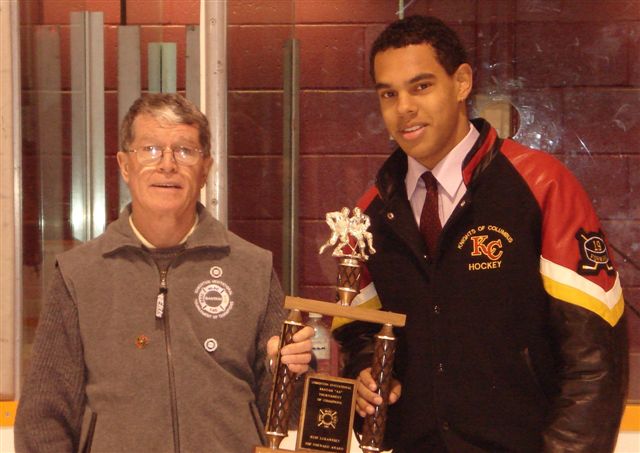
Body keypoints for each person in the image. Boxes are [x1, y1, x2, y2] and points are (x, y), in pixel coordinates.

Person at [333, 15, 628, 453]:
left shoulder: (542, 186)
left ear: (462, 83)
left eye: (421, 86)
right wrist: (366, 375)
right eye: (388, 94)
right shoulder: (367, 214)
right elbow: (359, 335)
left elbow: (595, 360)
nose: (404, 108)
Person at [14, 93, 313, 453]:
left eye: (185, 151)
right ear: (125, 165)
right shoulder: (80, 275)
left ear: (205, 168)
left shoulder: (252, 268)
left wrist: (288, 371)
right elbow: (42, 420)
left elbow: (287, 417)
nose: (167, 165)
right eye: (151, 149)